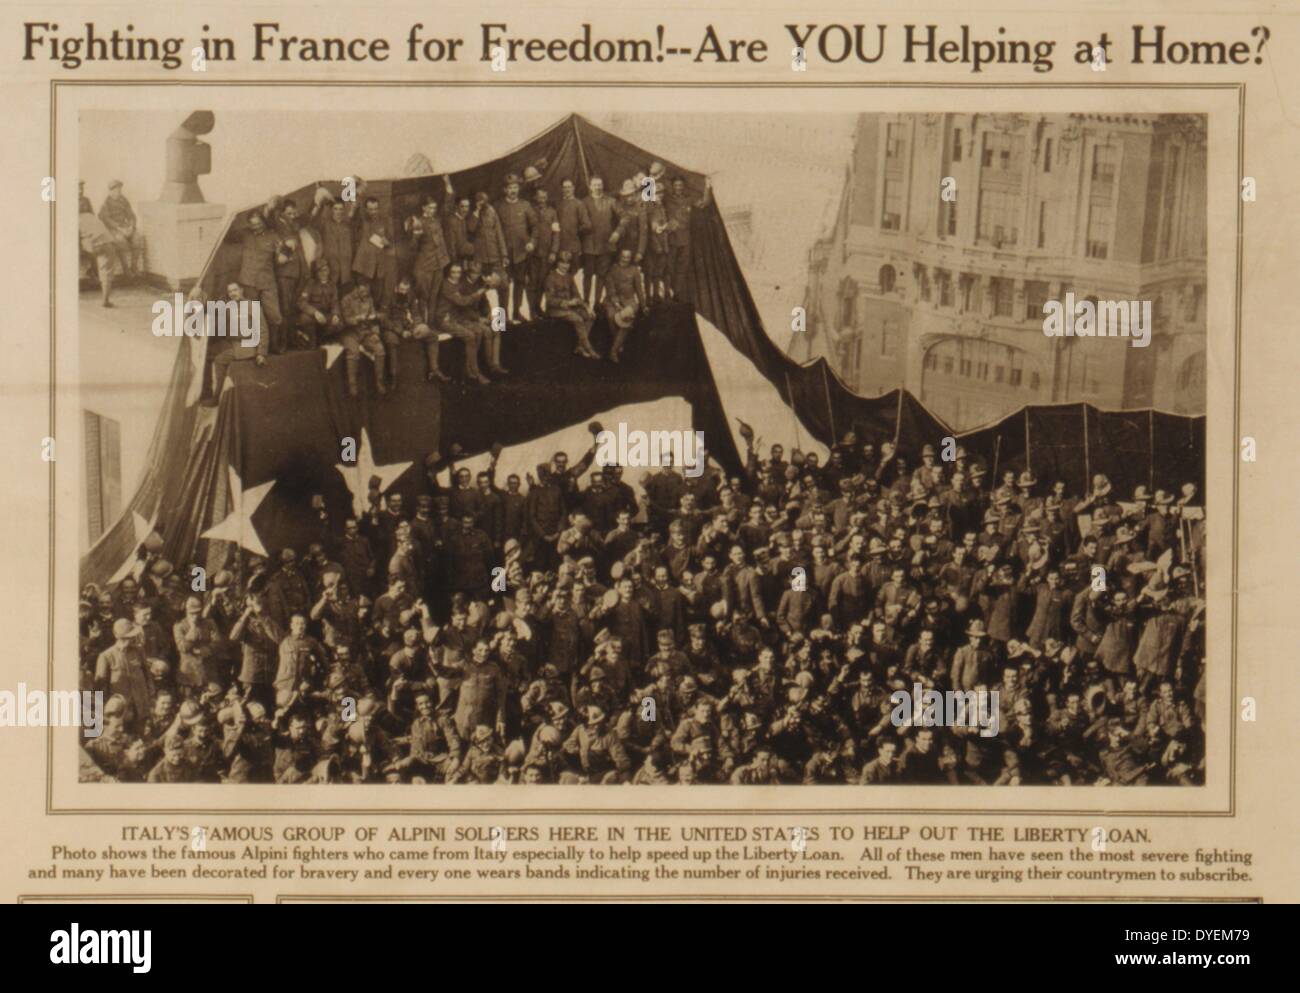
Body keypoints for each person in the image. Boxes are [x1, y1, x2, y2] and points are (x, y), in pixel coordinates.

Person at [543, 251, 598, 359]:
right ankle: (589, 348)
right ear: (557, 263)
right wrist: (567, 303)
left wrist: (587, 307)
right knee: (577, 319)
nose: (565, 266)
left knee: (590, 316)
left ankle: (580, 346)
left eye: (567, 263)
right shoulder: (551, 277)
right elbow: (550, 300)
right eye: (562, 263)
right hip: (556, 310)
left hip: (570, 308)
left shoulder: (569, 277)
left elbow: (577, 295)